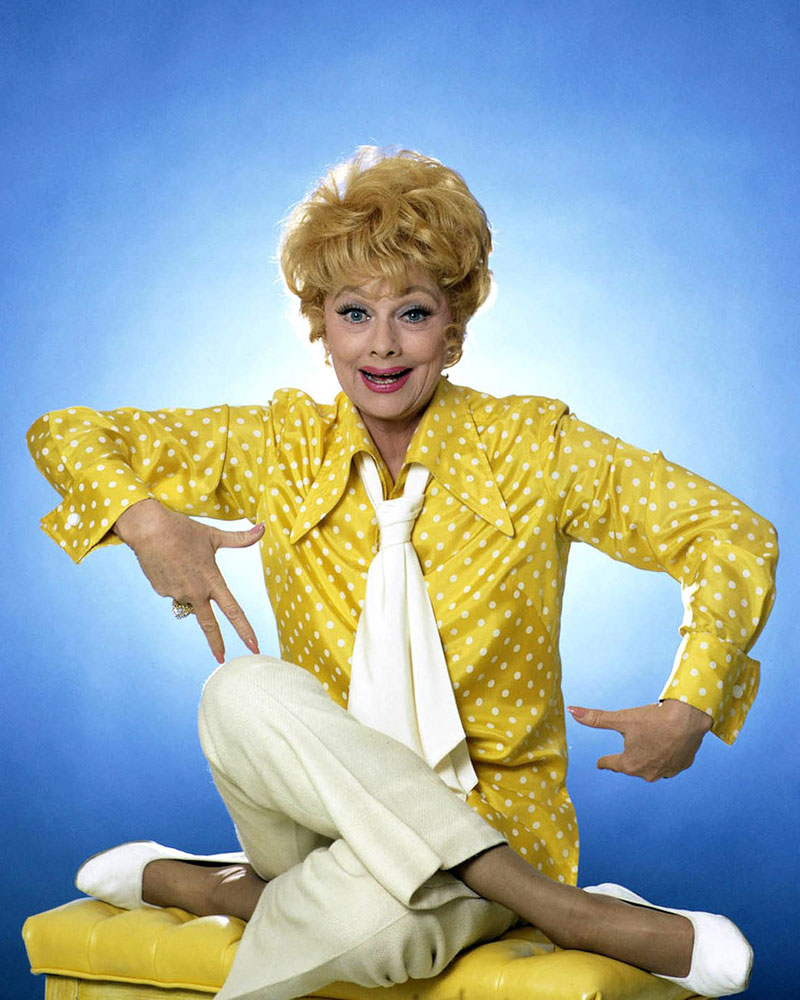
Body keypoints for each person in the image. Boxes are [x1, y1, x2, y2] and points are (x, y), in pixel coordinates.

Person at [28, 148, 777, 1000]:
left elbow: (729, 534)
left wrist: (692, 700)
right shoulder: (277, 444)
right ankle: (561, 911)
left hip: (497, 823)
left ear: (453, 329)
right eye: (354, 312)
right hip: (312, 820)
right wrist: (147, 522)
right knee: (237, 690)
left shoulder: (535, 447)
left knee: (383, 925)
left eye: (412, 313)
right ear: (322, 328)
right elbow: (64, 433)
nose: (381, 344)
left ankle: (216, 888)